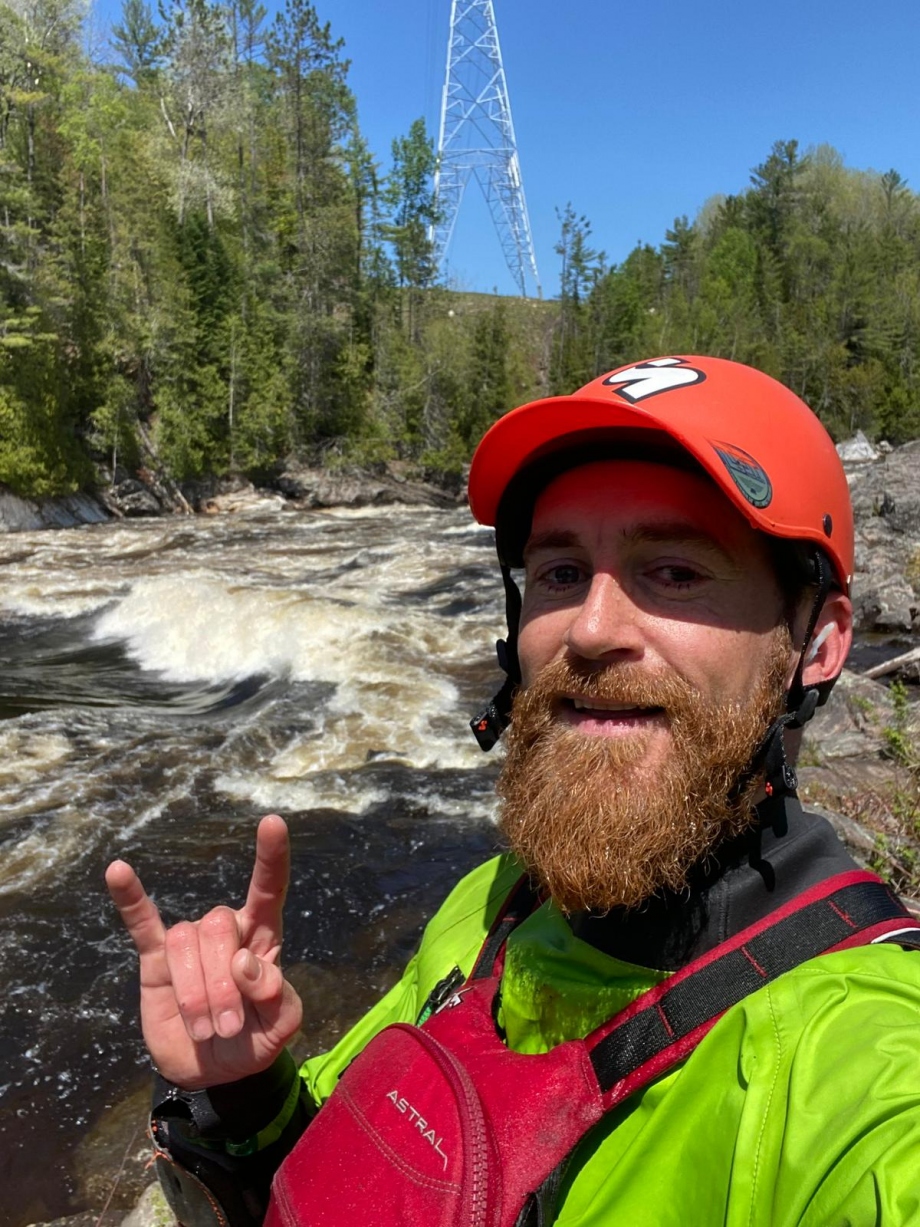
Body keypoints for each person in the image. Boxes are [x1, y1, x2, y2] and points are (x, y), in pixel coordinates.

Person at [107, 355, 920, 1227]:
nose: (592, 629)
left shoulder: (867, 1066)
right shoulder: (492, 900)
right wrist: (243, 1096)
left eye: (675, 571)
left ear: (820, 643)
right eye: (561, 573)